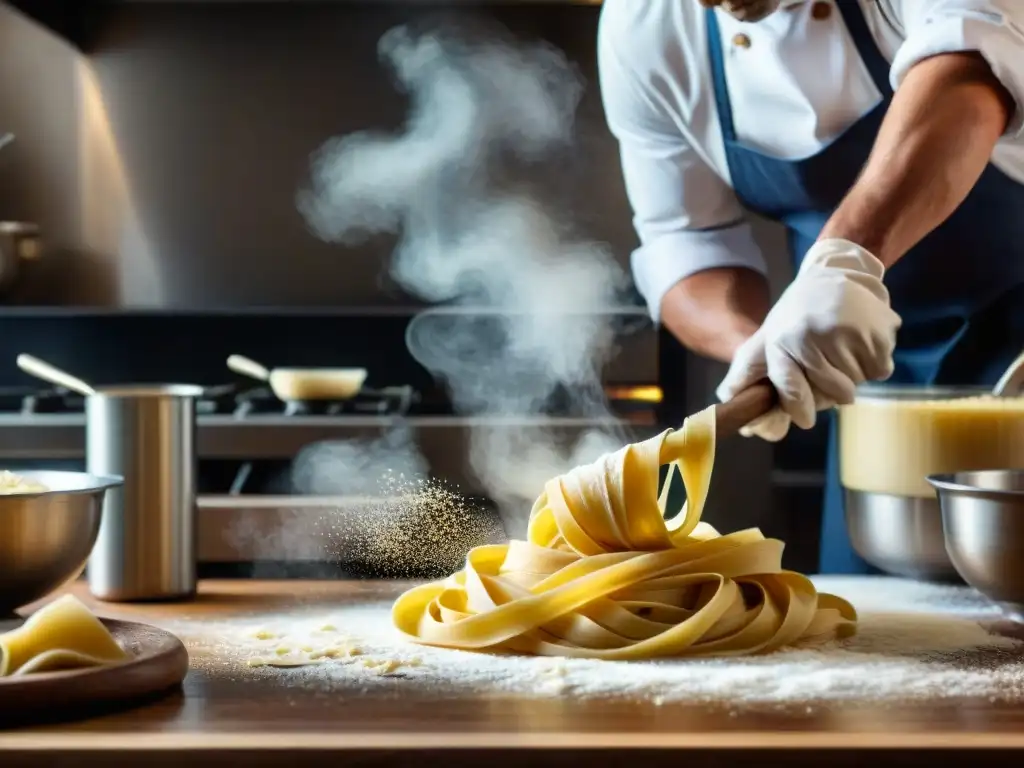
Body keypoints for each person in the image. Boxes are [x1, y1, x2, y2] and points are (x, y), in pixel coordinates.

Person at [597, 0, 1024, 573]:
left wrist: (842, 263)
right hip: (872, 411)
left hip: (1014, 361)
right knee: (878, 640)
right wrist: (771, 346)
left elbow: (967, 79)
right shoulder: (646, 27)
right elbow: (688, 249)